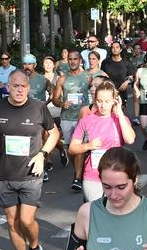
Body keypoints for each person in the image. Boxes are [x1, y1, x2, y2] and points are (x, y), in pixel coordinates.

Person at [0, 70, 60, 250]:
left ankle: (34, 248)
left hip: (31, 174)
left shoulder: (38, 108)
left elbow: (54, 133)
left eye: (23, 86)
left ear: (28, 87)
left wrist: (43, 154)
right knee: (11, 221)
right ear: (7, 86)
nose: (19, 90)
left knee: (26, 221)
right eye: (15, 86)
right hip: (6, 173)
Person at [70, 81, 137, 201]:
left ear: (114, 101)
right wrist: (88, 146)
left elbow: (130, 139)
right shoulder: (87, 120)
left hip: (116, 175)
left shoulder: (120, 119)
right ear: (95, 100)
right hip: (93, 176)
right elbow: (72, 148)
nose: (103, 105)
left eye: (107, 101)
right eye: (100, 101)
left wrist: (120, 113)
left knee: (115, 214)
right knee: (97, 214)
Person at [53, 48, 94, 193]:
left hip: (83, 118)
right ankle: (78, 171)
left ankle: (77, 177)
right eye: (70, 59)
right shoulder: (62, 79)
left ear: (80, 61)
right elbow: (55, 99)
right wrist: (62, 104)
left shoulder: (88, 77)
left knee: (80, 147)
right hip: (66, 118)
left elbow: (97, 89)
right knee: (72, 149)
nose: (72, 61)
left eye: (75, 59)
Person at [101, 40, 134, 107]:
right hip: (108, 92)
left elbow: (131, 77)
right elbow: (101, 76)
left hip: (121, 92)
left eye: (117, 47)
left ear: (121, 49)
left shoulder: (126, 62)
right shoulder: (105, 62)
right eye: (113, 47)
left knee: (121, 114)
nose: (115, 49)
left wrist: (127, 82)